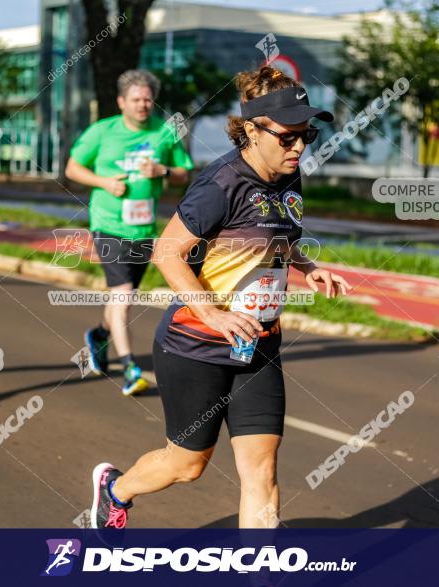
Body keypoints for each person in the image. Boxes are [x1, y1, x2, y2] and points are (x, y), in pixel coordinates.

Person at [89, 66, 351, 528]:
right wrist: (211, 313)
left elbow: (274, 236)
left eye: (306, 135)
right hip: (196, 346)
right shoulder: (220, 184)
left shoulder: (288, 177)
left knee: (262, 471)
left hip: (259, 345)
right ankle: (115, 488)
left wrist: (308, 266)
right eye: (288, 137)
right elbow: (167, 253)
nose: (299, 147)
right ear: (252, 130)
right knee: (187, 465)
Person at [65, 69, 194, 396]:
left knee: (123, 296)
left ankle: (99, 335)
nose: (143, 105)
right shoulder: (102, 131)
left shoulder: (164, 132)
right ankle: (129, 369)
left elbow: (184, 174)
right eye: (136, 99)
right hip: (108, 224)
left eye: (148, 99)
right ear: (122, 101)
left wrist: (162, 170)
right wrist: (104, 182)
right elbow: (72, 167)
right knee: (122, 295)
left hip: (144, 228)